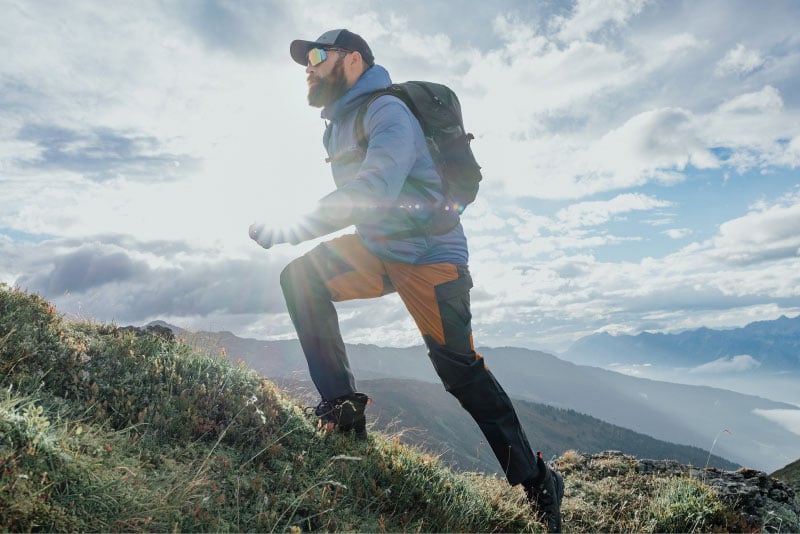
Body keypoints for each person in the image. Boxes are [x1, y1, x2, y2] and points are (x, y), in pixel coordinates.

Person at [249, 29, 564, 532]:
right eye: (303, 60)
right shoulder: (337, 123)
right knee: (302, 280)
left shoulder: (386, 111)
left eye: (315, 56)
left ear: (352, 60)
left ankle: (538, 484)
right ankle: (343, 412)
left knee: (459, 371)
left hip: (429, 257)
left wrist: (293, 225)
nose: (306, 67)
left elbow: (375, 187)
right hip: (380, 248)